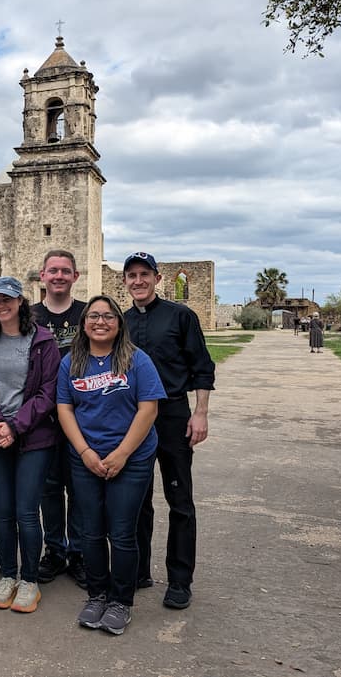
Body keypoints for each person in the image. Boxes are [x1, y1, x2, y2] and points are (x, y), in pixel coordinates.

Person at [58, 294, 165, 635]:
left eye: (107, 316)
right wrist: (85, 452)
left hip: (131, 458)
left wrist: (121, 454)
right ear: (84, 323)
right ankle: (96, 593)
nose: (100, 322)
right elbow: (65, 409)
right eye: (93, 316)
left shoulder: (136, 360)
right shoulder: (71, 362)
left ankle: (121, 600)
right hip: (86, 457)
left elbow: (148, 409)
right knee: (90, 530)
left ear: (119, 324)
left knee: (121, 532)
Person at [123, 251, 215, 610]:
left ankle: (179, 579)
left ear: (158, 279)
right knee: (136, 500)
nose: (138, 281)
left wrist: (201, 413)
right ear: (126, 281)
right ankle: (139, 570)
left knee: (179, 500)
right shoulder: (122, 321)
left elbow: (202, 368)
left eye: (145, 274)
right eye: (132, 275)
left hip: (173, 414)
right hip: (133, 419)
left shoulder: (181, 316)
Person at [0, 277, 59, 614]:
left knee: (26, 511)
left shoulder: (42, 341)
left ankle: (30, 580)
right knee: (2, 510)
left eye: (7, 299)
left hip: (33, 436)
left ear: (21, 302)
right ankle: (8, 574)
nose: (1, 305)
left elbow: (48, 392)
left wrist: (16, 425)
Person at [30, 249, 88, 587]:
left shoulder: (86, 314)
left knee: (78, 486)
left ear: (75, 277)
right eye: (53, 271)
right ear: (43, 276)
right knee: (49, 488)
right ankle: (55, 550)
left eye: (65, 271)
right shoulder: (32, 315)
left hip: (81, 413)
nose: (59, 276)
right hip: (44, 414)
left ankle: (78, 552)